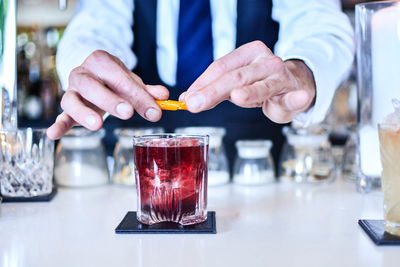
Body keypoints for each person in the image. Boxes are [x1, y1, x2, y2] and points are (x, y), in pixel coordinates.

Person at [47, 0, 354, 166]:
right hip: (132, 175)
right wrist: (89, 65)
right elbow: (95, 25)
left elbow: (320, 24)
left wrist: (301, 71)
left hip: (257, 172)